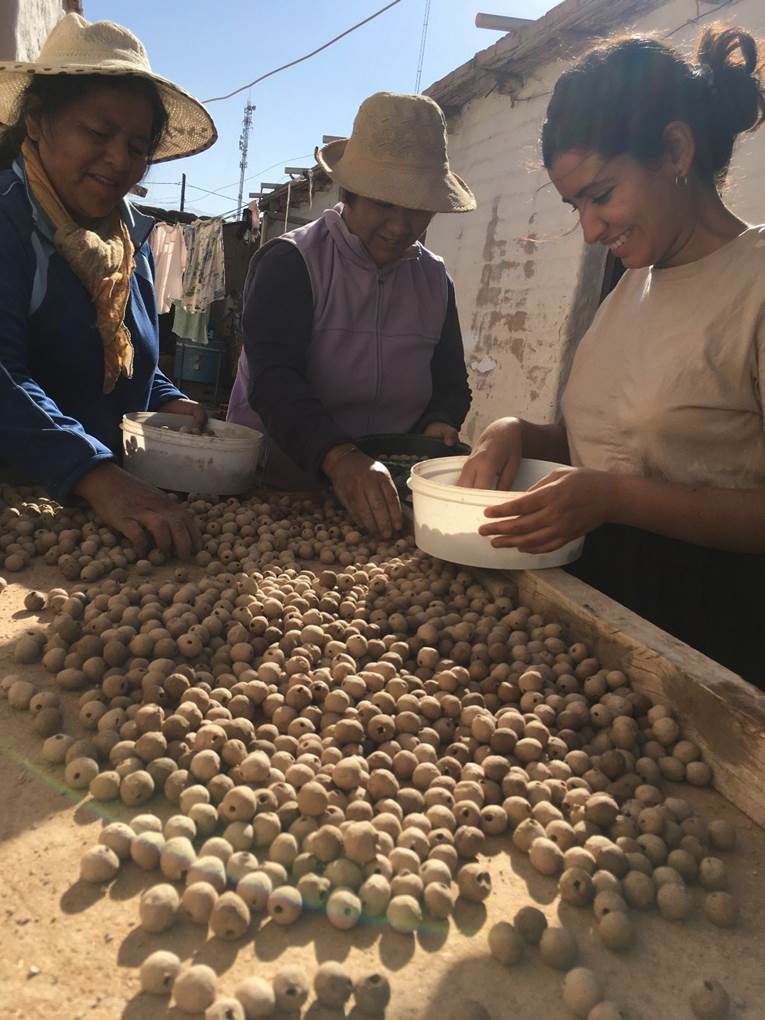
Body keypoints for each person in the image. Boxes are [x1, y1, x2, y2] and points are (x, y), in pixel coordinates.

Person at [458, 27, 765, 682]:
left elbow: (619, 484)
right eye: (576, 206)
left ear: (674, 150)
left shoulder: (754, 281)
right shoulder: (629, 282)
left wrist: (615, 501)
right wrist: (520, 433)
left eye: (600, 196)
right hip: (590, 626)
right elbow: (607, 446)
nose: (590, 230)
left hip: (707, 645)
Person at [0, 14, 217, 557]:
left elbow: (124, 368)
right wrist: (96, 475)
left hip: (103, 520)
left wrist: (172, 403)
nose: (120, 160)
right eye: (98, 134)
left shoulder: (128, 242)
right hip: (21, 516)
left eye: (137, 145)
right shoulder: (9, 221)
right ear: (36, 122)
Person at [227, 92, 475, 538]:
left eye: (417, 210)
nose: (400, 227)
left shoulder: (434, 280)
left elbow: (451, 384)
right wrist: (341, 460)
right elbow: (274, 381)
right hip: (276, 494)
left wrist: (439, 425)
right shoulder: (291, 262)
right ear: (348, 193)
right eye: (384, 204)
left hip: (382, 503)